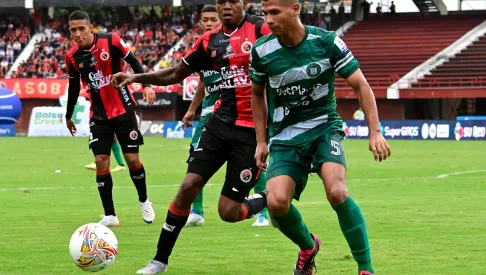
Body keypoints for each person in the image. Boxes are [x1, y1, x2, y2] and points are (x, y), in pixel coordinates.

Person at [112, 0, 272, 273]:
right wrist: (136, 77)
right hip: (219, 124)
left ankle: (271, 196)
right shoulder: (209, 41)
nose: (227, 6)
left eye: (233, 1)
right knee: (188, 185)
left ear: (244, 3)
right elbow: (176, 73)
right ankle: (159, 261)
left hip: (252, 131)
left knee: (229, 212)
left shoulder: (262, 29)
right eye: (222, 2)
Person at [249, 0, 391, 274]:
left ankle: (365, 268)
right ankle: (308, 246)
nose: (268, 20)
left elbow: (360, 84)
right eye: (265, 14)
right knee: (277, 204)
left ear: (295, 8)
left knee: (337, 191)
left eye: (275, 12)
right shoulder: (261, 50)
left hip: (324, 128)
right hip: (285, 136)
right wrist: (261, 141)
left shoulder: (326, 42)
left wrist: (375, 132)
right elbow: (257, 94)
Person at [64, 10, 156, 227]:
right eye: (73, 30)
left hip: (123, 108)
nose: (78, 34)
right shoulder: (72, 56)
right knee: (100, 162)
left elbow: (134, 62)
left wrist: (147, 85)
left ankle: (144, 201)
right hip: (99, 115)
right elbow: (73, 86)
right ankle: (110, 215)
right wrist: (68, 115)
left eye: (81, 29)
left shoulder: (111, 40)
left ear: (90, 28)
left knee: (132, 160)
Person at [181, 5, 269, 228]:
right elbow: (202, 81)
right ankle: (197, 211)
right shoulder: (207, 45)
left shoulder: (234, 42)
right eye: (205, 19)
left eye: (212, 19)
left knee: (251, 163)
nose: (209, 23)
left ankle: (263, 209)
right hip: (209, 116)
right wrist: (192, 109)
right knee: (194, 161)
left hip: (235, 115)